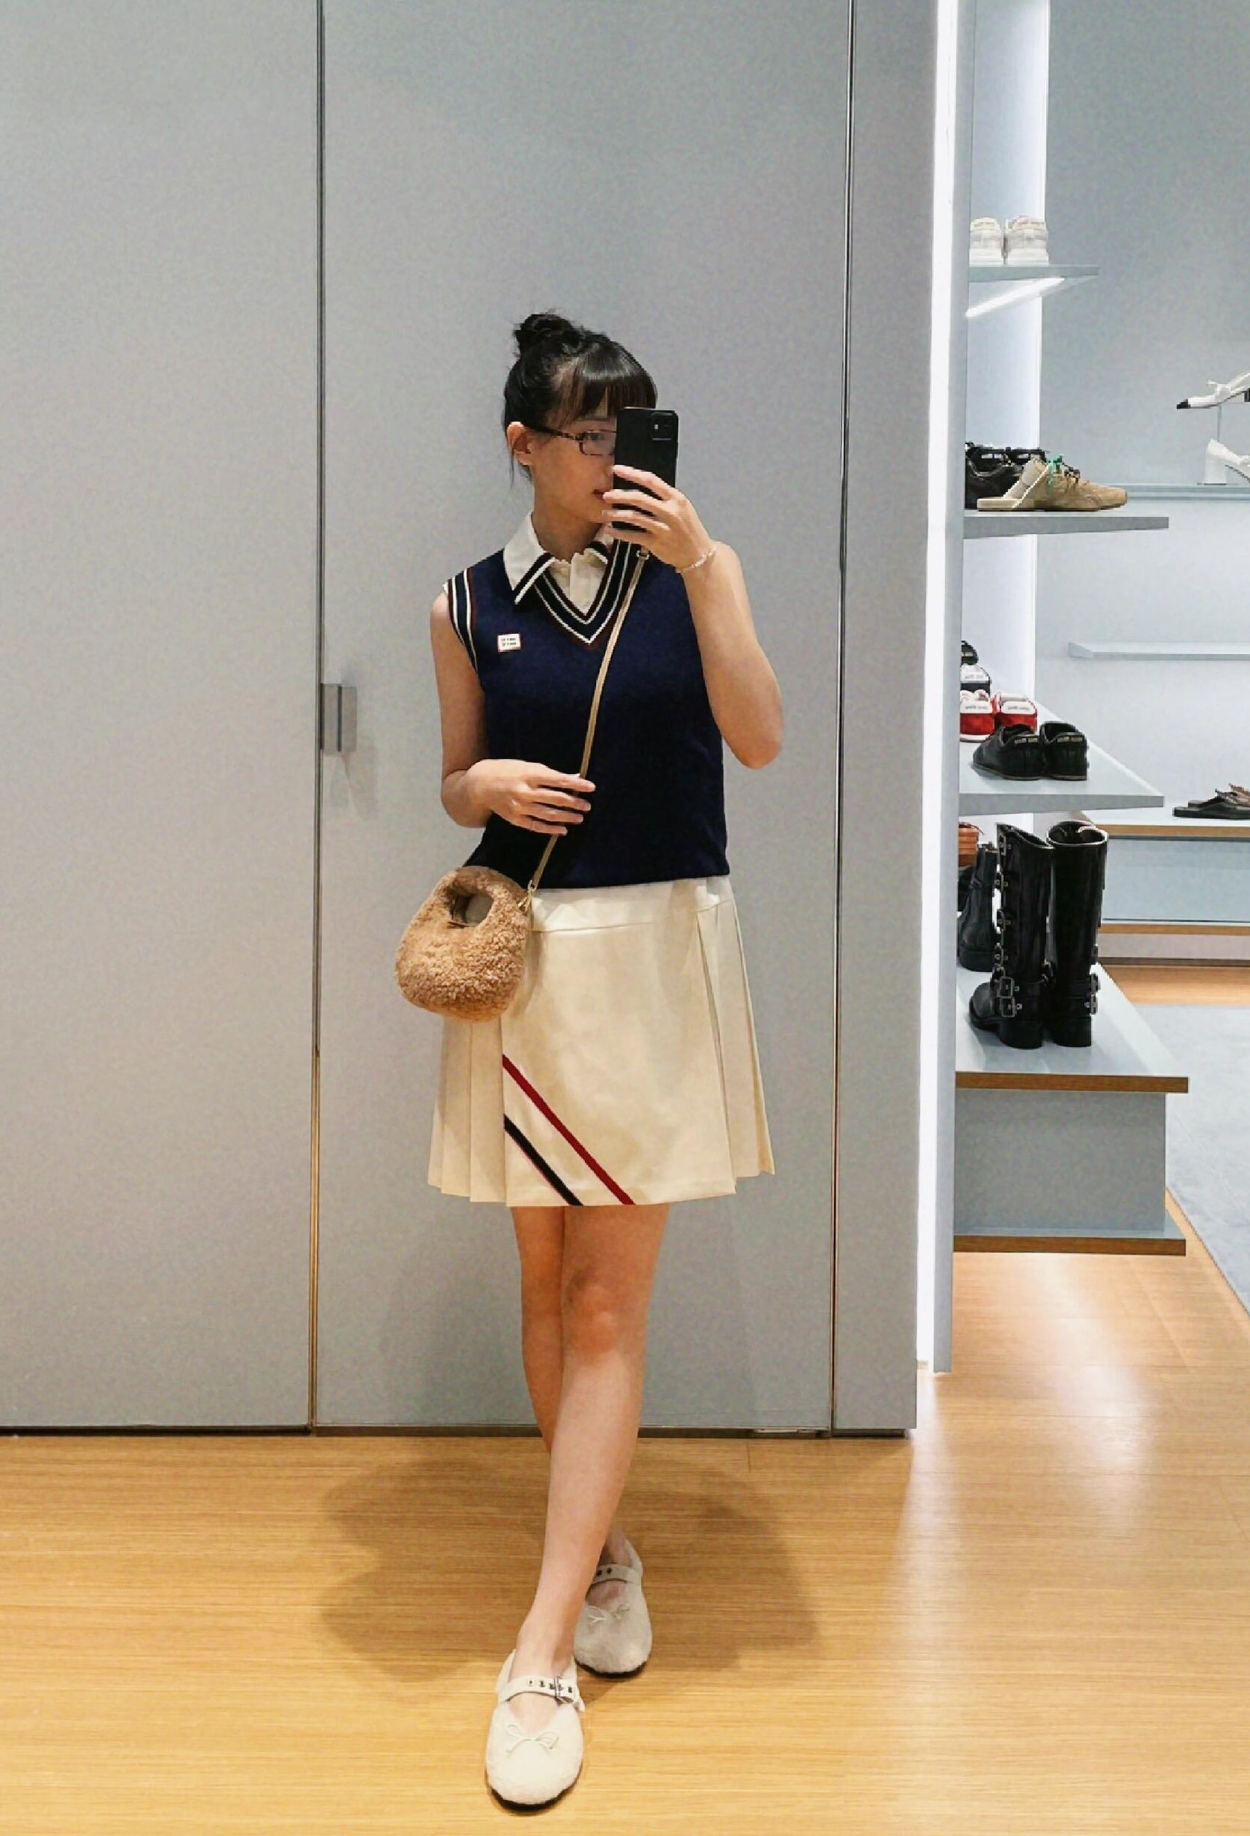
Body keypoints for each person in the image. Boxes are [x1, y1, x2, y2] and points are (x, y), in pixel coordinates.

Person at [426, 310, 782, 1806]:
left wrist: (704, 568)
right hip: (529, 969)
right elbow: (455, 782)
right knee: (542, 1285)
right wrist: (485, 784)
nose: (611, 459)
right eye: (585, 436)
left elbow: (759, 738)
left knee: (601, 1302)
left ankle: (542, 1650)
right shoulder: (464, 600)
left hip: (653, 956)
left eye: (628, 433)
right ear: (523, 445)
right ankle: (604, 1551)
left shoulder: (694, 571)